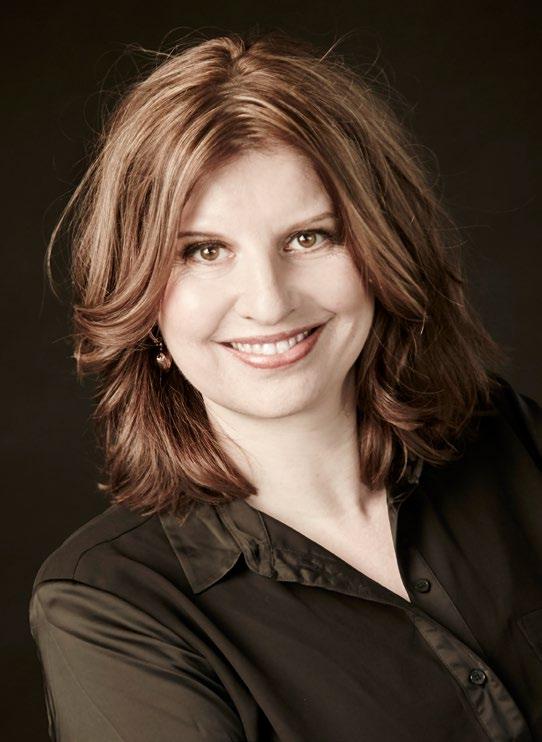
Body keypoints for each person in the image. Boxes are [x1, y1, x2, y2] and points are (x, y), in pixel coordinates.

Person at [28, 29, 542, 742]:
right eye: (205, 251)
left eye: (309, 237)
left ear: (381, 250)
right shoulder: (111, 606)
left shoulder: (513, 438)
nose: (268, 303)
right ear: (140, 292)